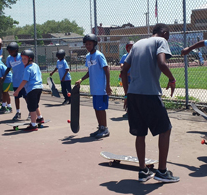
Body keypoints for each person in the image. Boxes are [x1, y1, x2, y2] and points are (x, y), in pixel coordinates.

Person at [120, 23, 179, 183]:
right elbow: (162, 63)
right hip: (150, 94)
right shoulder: (161, 41)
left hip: (133, 94)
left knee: (140, 133)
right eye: (168, 36)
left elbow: (123, 71)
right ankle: (162, 171)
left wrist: (126, 95)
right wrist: (172, 79)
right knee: (165, 130)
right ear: (164, 33)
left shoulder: (137, 44)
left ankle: (142, 171)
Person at [75, 34, 112, 139]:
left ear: (94, 44)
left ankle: (105, 129)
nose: (88, 46)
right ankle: (100, 127)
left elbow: (107, 70)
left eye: (90, 44)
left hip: (101, 88)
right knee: (96, 108)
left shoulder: (99, 55)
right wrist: (81, 79)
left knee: (101, 109)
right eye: (86, 44)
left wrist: (108, 86)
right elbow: (89, 71)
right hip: (94, 88)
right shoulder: (88, 56)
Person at [13, 50, 44, 131]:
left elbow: (24, 81)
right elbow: (40, 76)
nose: (23, 60)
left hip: (32, 89)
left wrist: (17, 91)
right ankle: (40, 118)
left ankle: (33, 125)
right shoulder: (35, 65)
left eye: (25, 59)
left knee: (31, 108)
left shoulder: (27, 68)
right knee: (35, 104)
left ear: (30, 59)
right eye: (22, 59)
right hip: (39, 87)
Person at [4, 42, 26, 120]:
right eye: (9, 52)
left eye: (11, 51)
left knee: (27, 98)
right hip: (16, 81)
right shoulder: (9, 58)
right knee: (16, 97)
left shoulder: (22, 56)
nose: (10, 53)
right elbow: (8, 68)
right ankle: (18, 112)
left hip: (24, 81)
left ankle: (31, 112)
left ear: (16, 50)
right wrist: (4, 76)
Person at [119, 41, 134, 118]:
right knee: (127, 94)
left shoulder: (136, 56)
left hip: (133, 78)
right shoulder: (125, 56)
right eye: (129, 47)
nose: (130, 49)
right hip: (126, 78)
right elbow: (121, 63)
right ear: (127, 48)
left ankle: (133, 110)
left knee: (133, 95)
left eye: (132, 47)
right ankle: (128, 110)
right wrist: (123, 66)